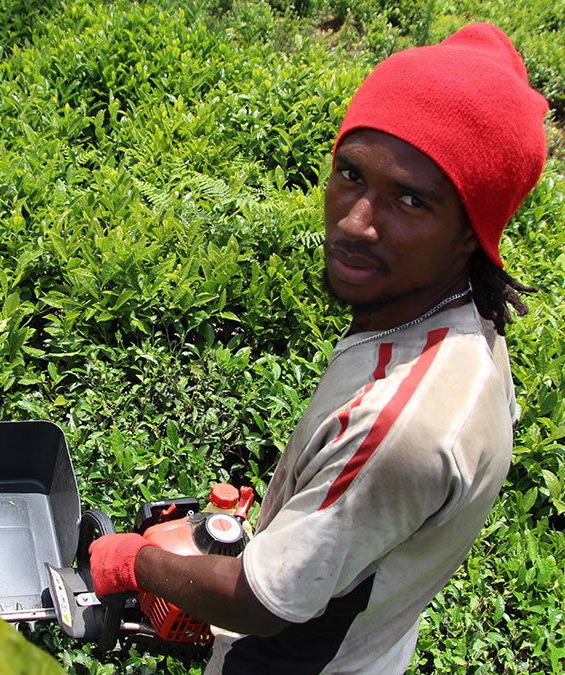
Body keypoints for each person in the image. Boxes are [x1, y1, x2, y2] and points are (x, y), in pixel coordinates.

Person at [88, 23, 548, 673]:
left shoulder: (401, 426)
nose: (355, 222)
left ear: (473, 230)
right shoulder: (460, 323)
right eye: (351, 173)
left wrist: (135, 561)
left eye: (410, 200)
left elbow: (260, 604)